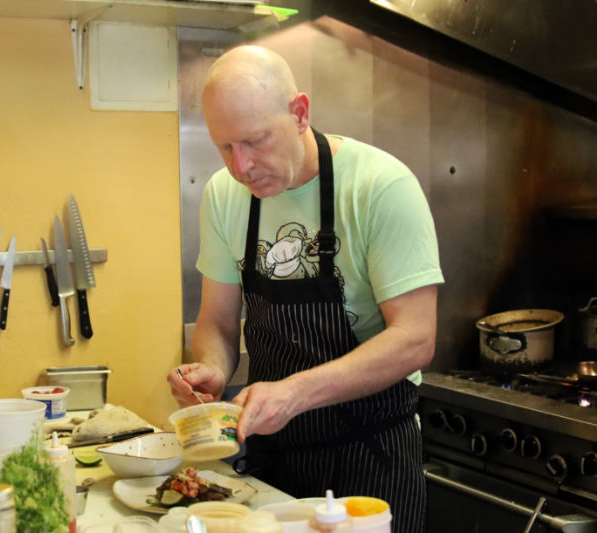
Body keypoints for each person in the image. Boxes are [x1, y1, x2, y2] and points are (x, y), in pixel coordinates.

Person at [167, 45, 444, 533]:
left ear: (299, 113)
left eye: (255, 141)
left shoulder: (380, 186)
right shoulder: (224, 194)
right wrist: (212, 368)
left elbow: (416, 338)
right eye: (224, 147)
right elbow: (217, 319)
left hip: (371, 459)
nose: (241, 167)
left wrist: (293, 395)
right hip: (273, 464)